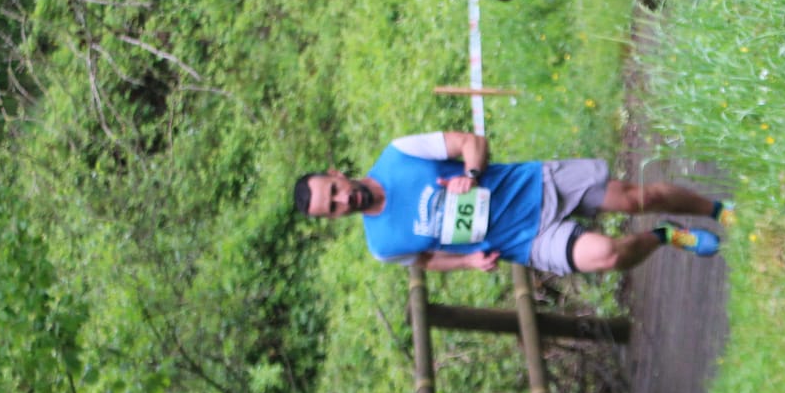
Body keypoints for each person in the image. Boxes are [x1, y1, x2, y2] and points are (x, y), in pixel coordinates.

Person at [294, 131, 731, 275]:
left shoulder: (399, 153)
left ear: (335, 175)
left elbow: (472, 142)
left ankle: (715, 210)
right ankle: (667, 235)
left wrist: (470, 175)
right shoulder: (382, 245)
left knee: (640, 197)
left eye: (333, 190)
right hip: (523, 240)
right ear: (333, 218)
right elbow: (424, 259)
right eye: (332, 207)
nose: (342, 199)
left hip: (536, 185)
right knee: (606, 255)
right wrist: (467, 263)